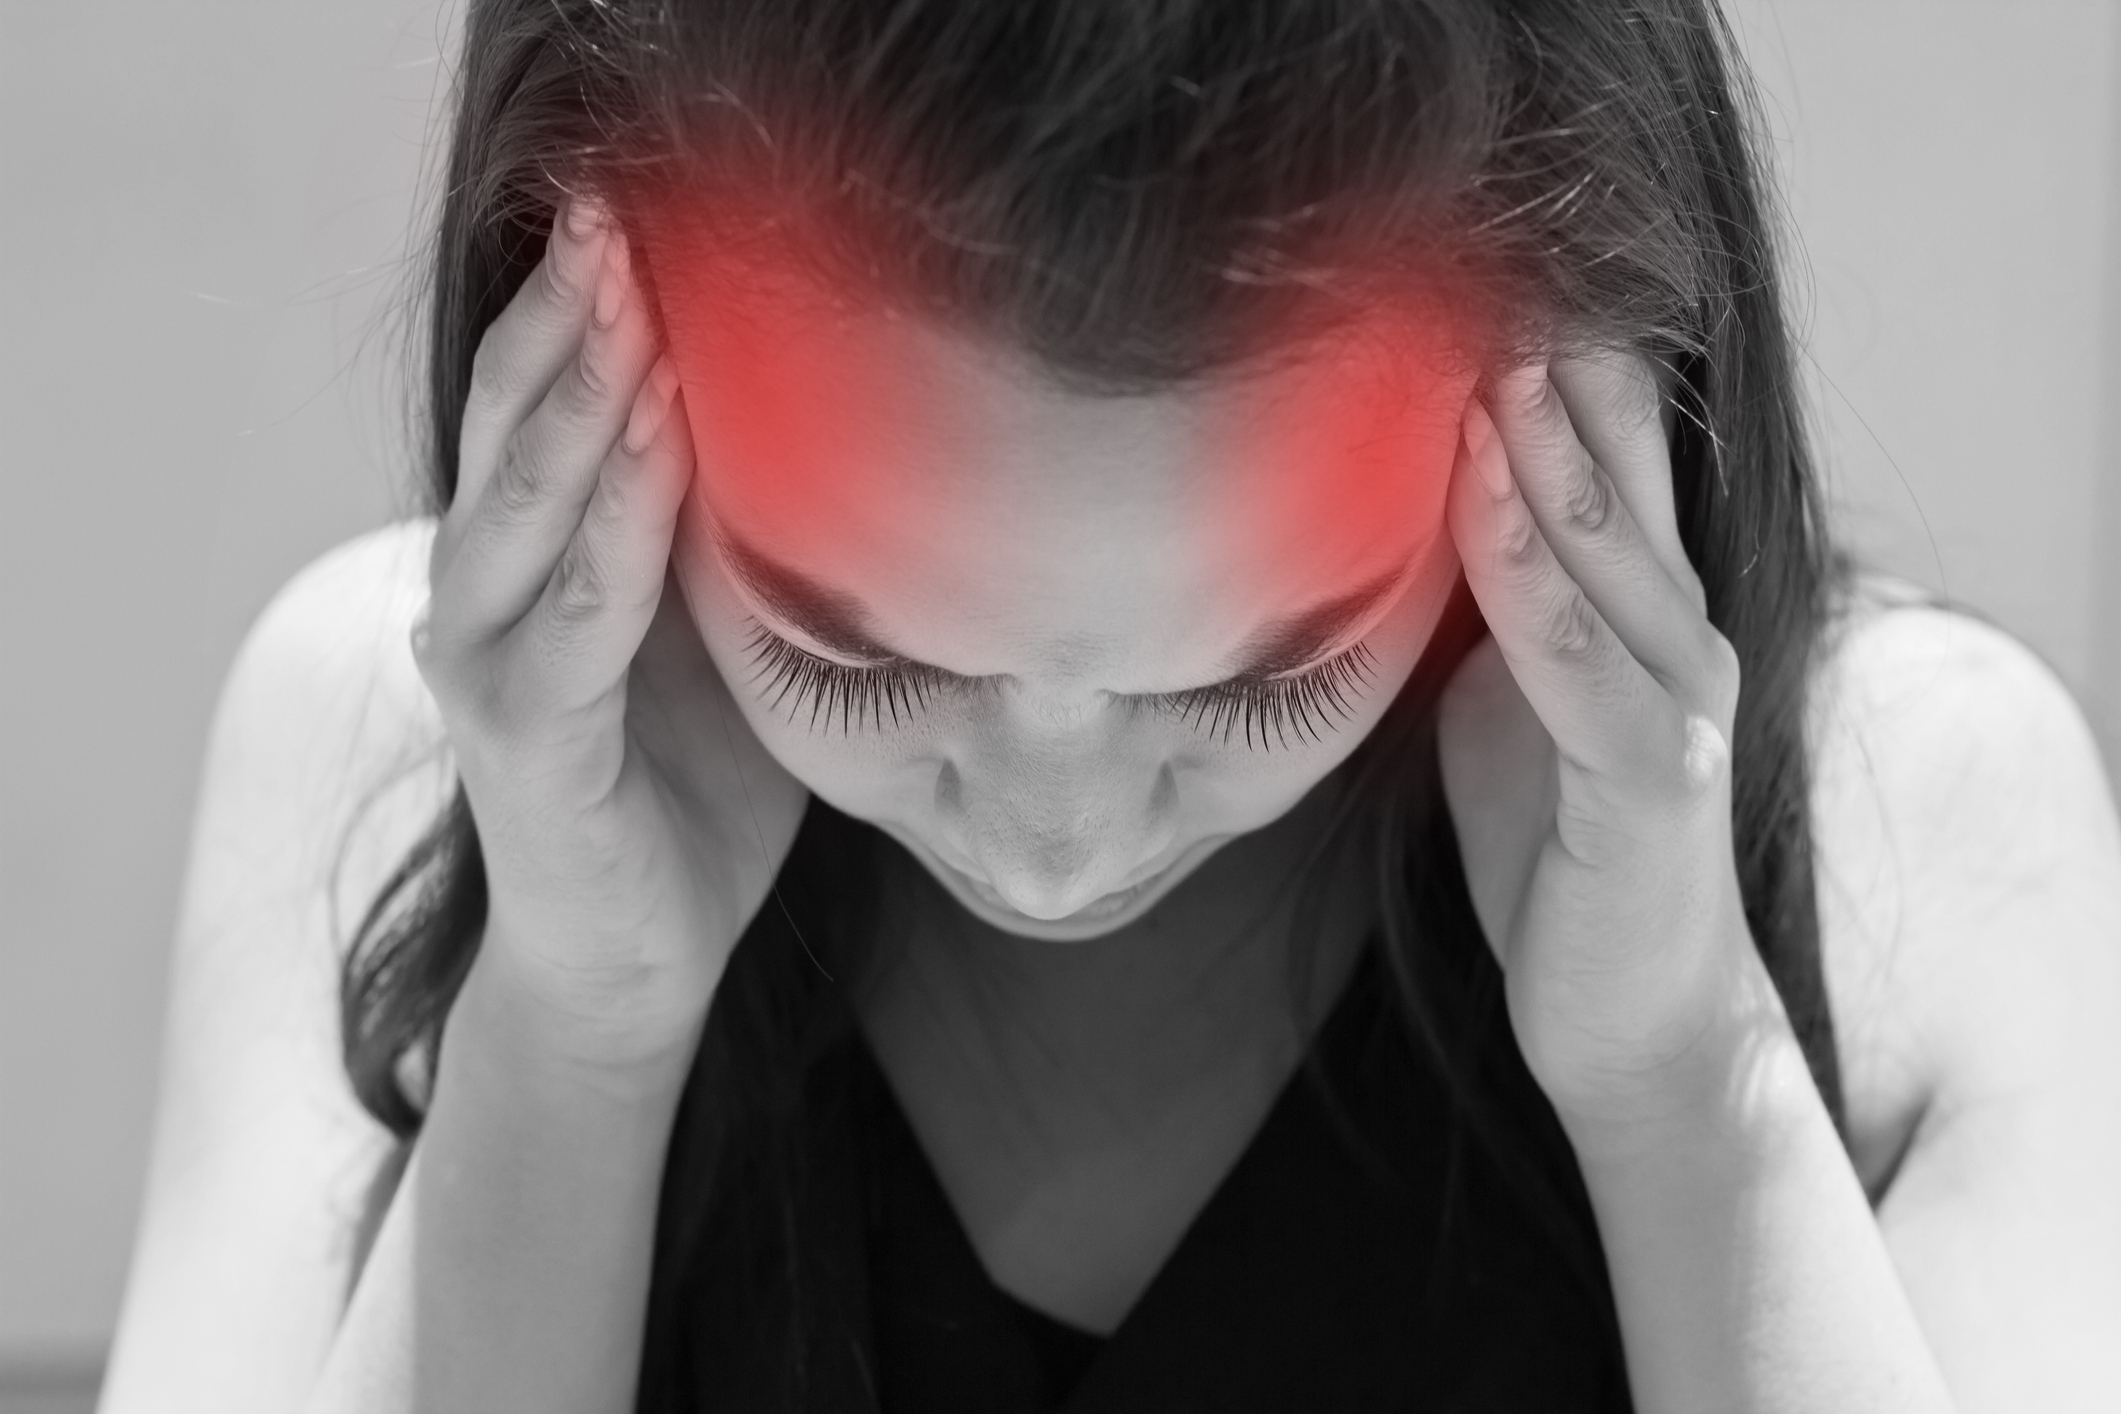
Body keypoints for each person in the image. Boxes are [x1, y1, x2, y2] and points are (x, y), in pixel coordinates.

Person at [99, 0, 2121, 1410]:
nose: (1052, 840)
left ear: (1568, 412)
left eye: (1265, 671)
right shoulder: (385, 742)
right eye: (850, 654)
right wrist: (566, 1024)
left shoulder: (1921, 828)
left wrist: (1680, 1073)